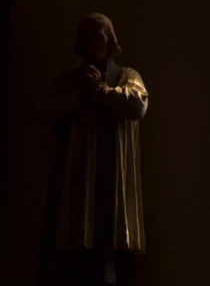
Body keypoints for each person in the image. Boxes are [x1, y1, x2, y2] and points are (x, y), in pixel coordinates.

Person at [33, 14, 148, 285]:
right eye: (86, 37)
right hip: (71, 188)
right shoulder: (67, 82)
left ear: (110, 42)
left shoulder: (127, 76)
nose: (93, 43)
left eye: (99, 36)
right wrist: (78, 97)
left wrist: (98, 91)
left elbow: (137, 106)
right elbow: (39, 110)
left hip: (111, 184)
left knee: (107, 249)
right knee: (67, 255)